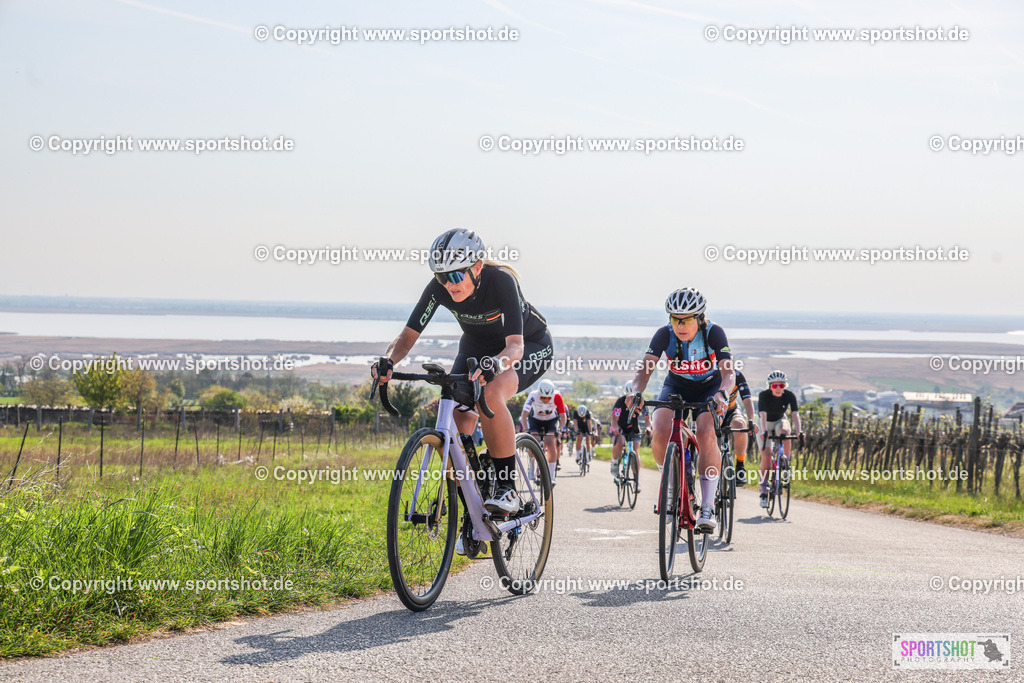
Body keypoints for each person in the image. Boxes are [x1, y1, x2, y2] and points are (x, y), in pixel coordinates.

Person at [371, 229, 554, 555]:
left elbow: (515, 347)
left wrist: (496, 366)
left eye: (456, 274)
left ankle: (507, 486)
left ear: (477, 267)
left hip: (527, 347)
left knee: (492, 395)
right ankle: (475, 504)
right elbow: (407, 335)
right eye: (441, 276)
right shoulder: (439, 288)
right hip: (474, 349)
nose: (449, 283)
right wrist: (388, 360)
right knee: (455, 417)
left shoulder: (501, 281)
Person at [624, 288, 736, 533]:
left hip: (709, 388)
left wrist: (723, 393)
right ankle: (670, 485)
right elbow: (644, 371)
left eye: (685, 319)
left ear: (700, 318)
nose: (679, 325)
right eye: (675, 319)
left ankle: (707, 506)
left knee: (706, 432)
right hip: (676, 385)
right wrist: (635, 391)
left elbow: (729, 373)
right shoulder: (664, 334)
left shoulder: (714, 333)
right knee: (660, 429)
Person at [757, 370, 802, 508]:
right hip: (764, 423)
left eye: (781, 386)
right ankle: (763, 491)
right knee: (766, 457)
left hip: (779, 421)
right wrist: (764, 431)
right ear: (770, 386)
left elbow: (795, 415)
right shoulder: (763, 395)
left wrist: (799, 432)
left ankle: (785, 464)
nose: (778, 388)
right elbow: (763, 416)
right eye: (775, 386)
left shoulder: (789, 395)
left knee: (785, 432)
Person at [520, 379, 567, 485]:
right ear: (539, 393)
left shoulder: (557, 396)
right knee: (534, 440)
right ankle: (531, 467)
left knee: (550, 442)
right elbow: (524, 415)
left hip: (551, 421)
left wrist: (560, 429)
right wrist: (526, 430)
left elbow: (563, 416)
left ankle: (551, 475)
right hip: (535, 420)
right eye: (543, 397)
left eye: (548, 397)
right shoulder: (533, 395)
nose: (546, 400)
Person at [722, 370, 757, 485]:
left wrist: (751, 420)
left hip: (731, 410)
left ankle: (740, 465)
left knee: (740, 425)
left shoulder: (736, 375)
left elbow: (747, 399)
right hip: (711, 412)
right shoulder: (708, 372)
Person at [610, 386, 651, 479]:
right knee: (620, 442)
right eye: (629, 398)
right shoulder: (620, 401)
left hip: (634, 428)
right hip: (621, 428)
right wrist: (615, 428)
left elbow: (647, 418)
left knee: (635, 451)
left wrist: (648, 428)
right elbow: (614, 418)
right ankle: (615, 462)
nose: (631, 400)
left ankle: (636, 478)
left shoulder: (641, 402)